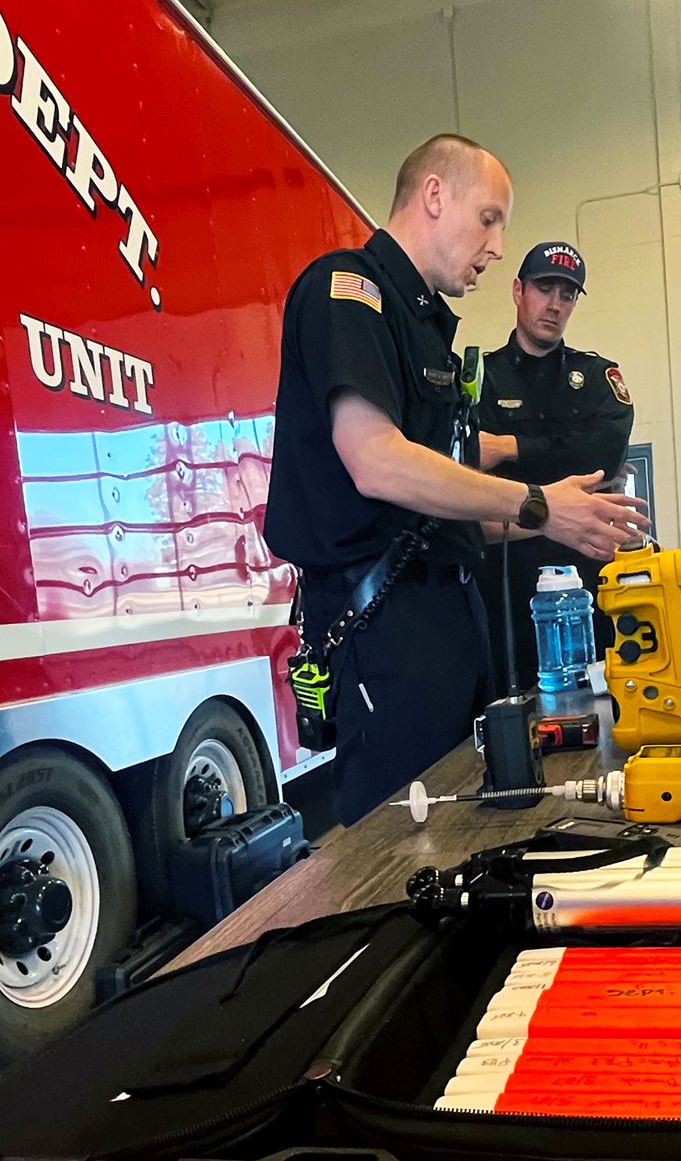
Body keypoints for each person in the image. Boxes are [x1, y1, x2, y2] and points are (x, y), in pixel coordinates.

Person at [265, 134, 649, 826]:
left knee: (460, 831)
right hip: (385, 630)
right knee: (398, 841)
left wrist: (568, 520)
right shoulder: (348, 293)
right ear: (435, 195)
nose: (498, 244)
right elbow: (376, 460)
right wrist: (538, 506)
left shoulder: (424, 328)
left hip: (448, 621)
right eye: (490, 217)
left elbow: (433, 515)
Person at [474, 240, 634, 697]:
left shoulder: (598, 378)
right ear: (518, 290)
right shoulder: (479, 381)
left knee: (600, 707)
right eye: (545, 289)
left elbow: (598, 460)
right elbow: (464, 467)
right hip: (505, 581)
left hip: (587, 577)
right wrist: (560, 463)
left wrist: (508, 447)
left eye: (568, 295)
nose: (555, 305)